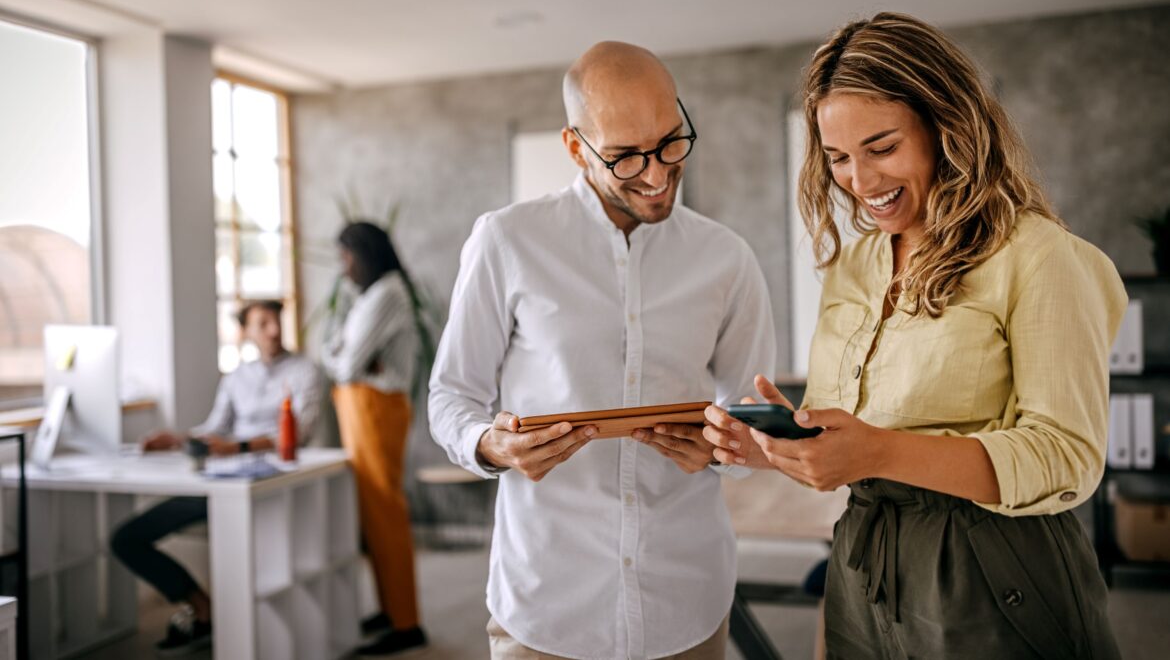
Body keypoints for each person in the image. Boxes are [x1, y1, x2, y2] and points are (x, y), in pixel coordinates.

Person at [704, 12, 1125, 659]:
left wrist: (877, 454)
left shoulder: (1037, 255)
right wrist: (781, 447)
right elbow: (857, 438)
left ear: (944, 126)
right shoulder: (853, 265)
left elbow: (1067, 456)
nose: (861, 182)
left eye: (882, 147)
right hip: (863, 569)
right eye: (839, 157)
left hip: (995, 573)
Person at [428, 41, 777, 660]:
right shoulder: (507, 240)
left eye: (672, 141)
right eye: (623, 157)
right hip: (547, 603)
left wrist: (726, 447)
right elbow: (453, 395)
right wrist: (492, 445)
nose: (656, 172)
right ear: (574, 147)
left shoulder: (728, 259)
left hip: (687, 598)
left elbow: (753, 409)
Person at [111, 300, 320, 656]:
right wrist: (178, 439)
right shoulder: (236, 377)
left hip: (270, 486)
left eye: (276, 321)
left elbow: (299, 434)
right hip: (222, 483)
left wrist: (235, 446)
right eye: (263, 323)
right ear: (247, 332)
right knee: (126, 539)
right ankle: (201, 606)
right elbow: (213, 429)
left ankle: (242, 631)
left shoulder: (305, 371)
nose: (273, 330)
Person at [321, 222, 426, 656]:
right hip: (363, 407)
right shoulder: (369, 296)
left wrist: (342, 355)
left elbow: (342, 364)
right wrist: (344, 354)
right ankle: (390, 611)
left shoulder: (386, 293)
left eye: (347, 257)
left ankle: (406, 623)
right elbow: (340, 353)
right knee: (373, 513)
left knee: (384, 512)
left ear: (364, 254)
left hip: (375, 409)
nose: (343, 268)